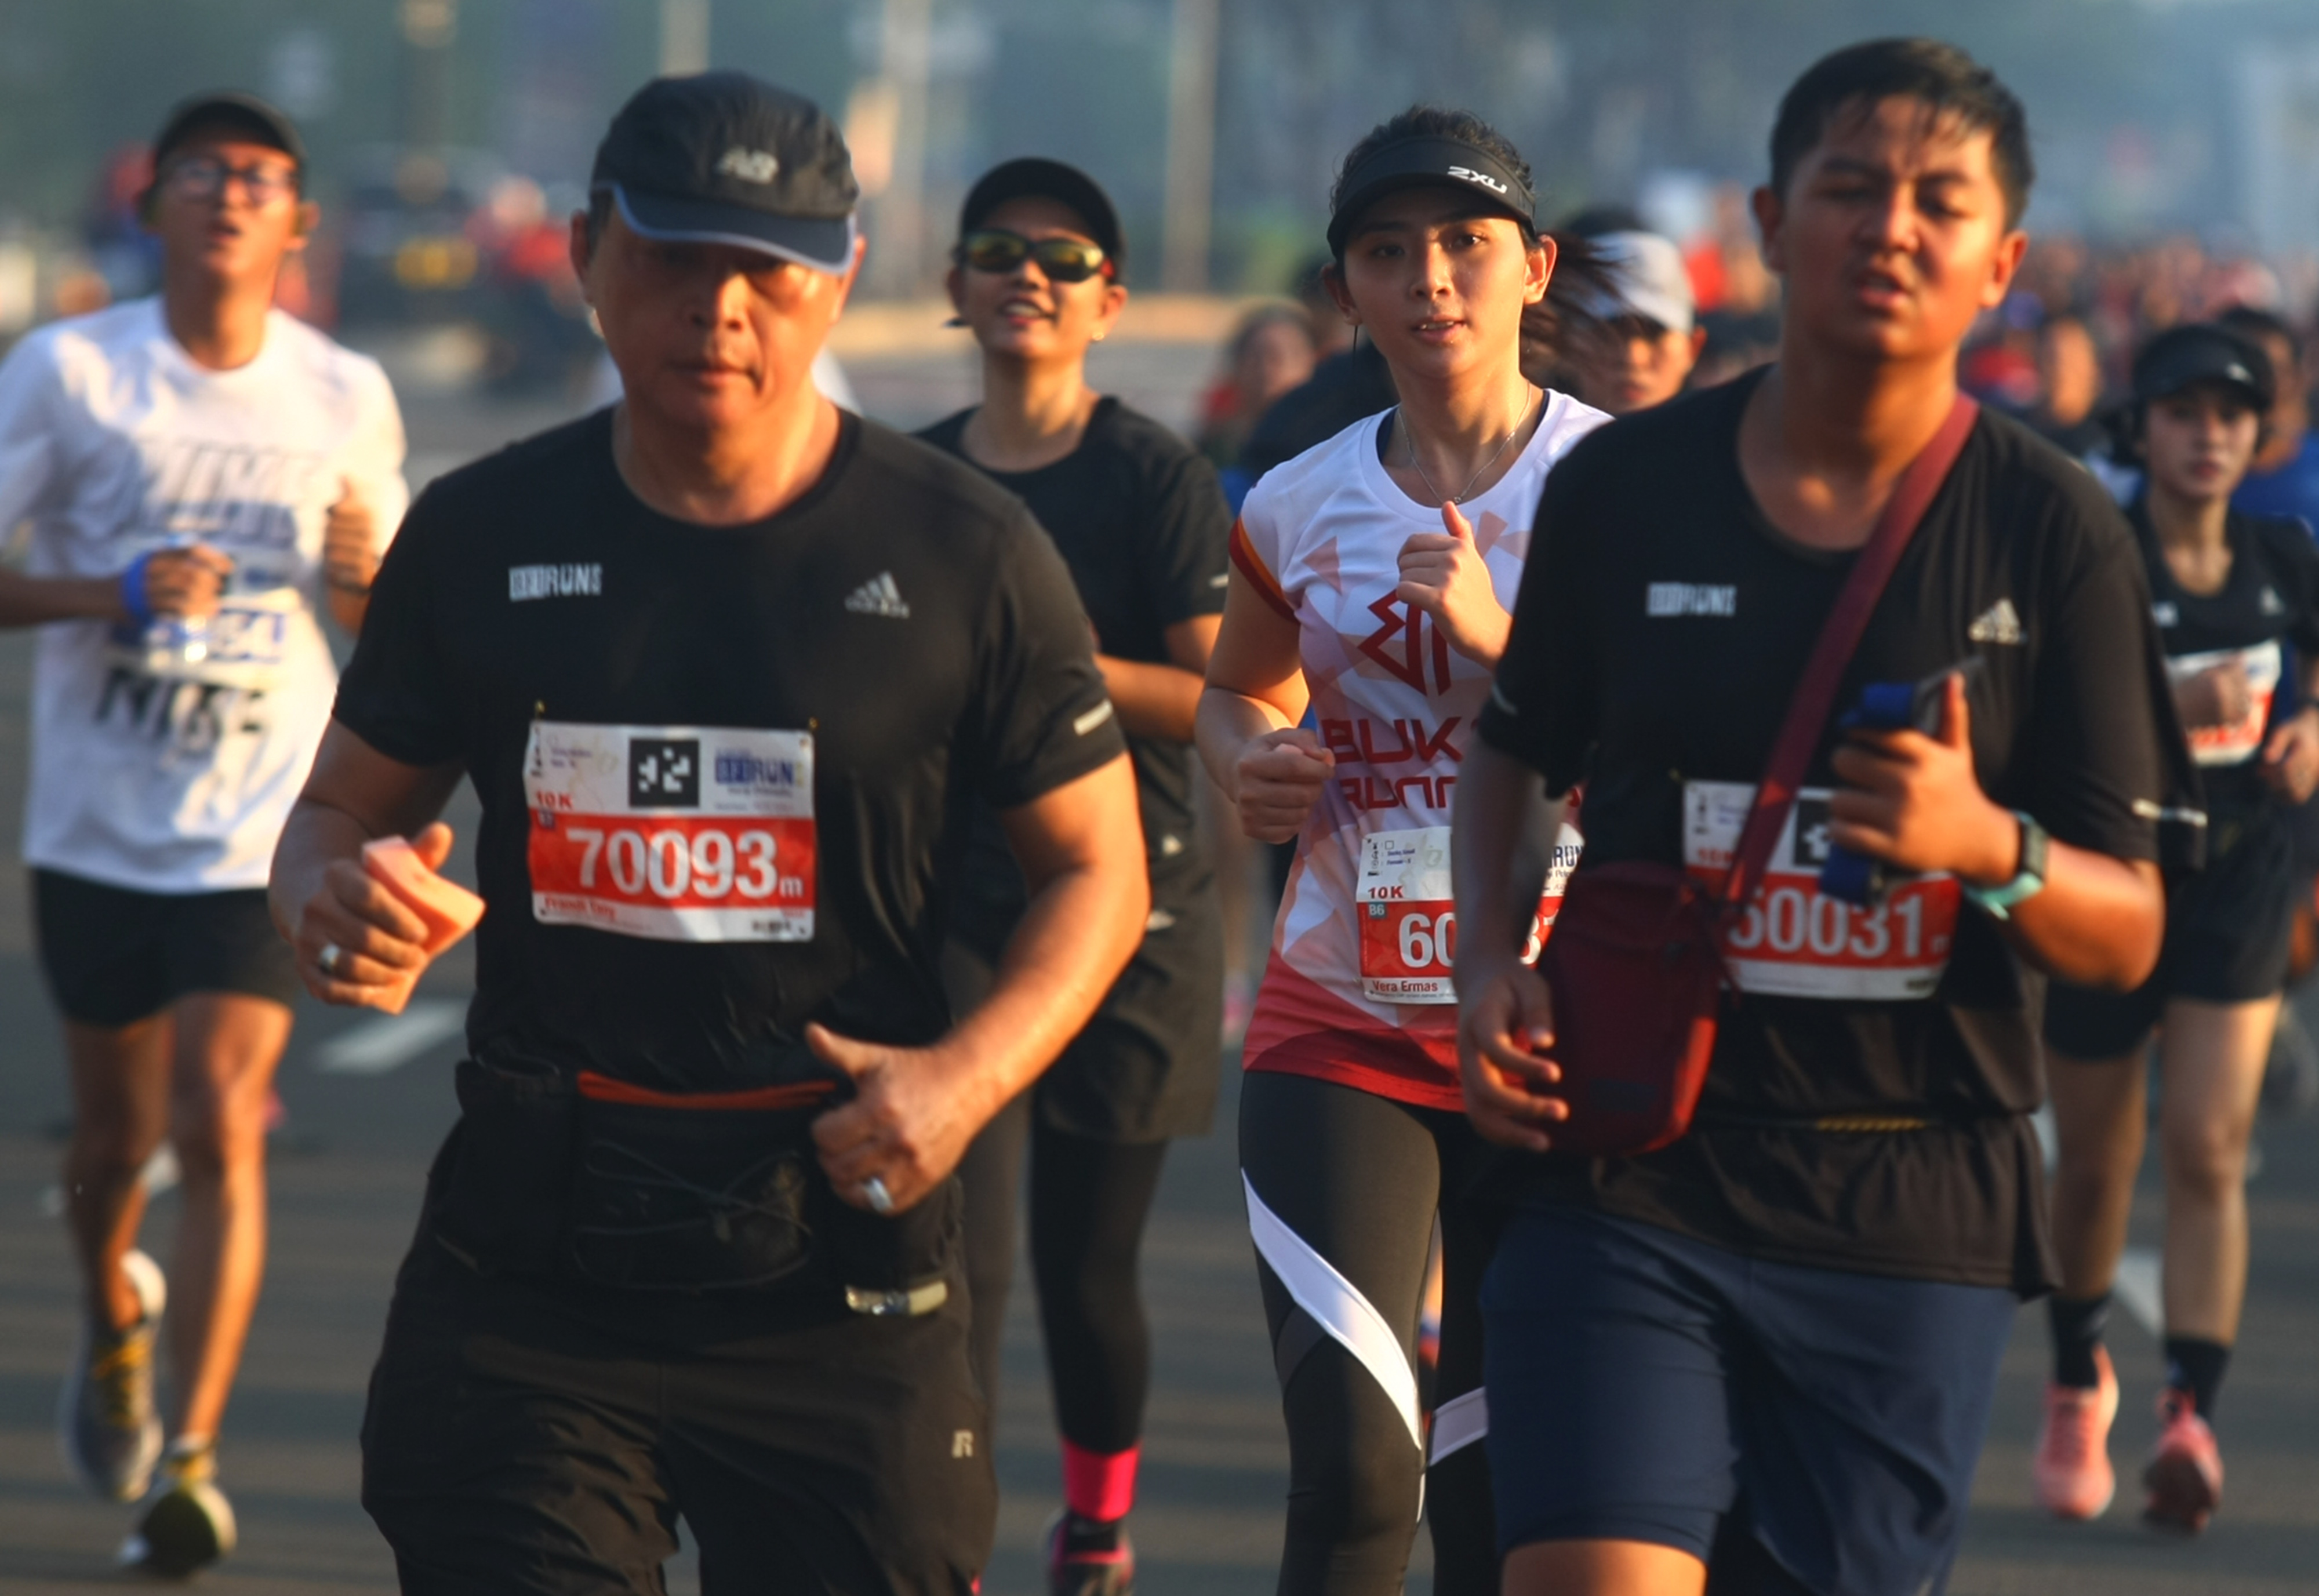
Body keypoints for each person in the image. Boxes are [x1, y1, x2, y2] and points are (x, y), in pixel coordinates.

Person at [268, 73, 1148, 1593]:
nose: (722, 309)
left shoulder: (966, 554)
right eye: (677, 257)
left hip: (840, 1268)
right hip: (534, 1266)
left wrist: (963, 1079)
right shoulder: (480, 535)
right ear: (588, 255)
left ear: (843, 281)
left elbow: (1100, 870)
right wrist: (332, 896)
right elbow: (339, 812)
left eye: (770, 270)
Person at [1455, 39, 2193, 1596]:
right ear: (1771, 224)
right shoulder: (1624, 492)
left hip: (1909, 1204)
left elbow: (2131, 930)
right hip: (1633, 1164)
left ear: (2001, 259)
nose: (1893, 226)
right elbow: (1511, 753)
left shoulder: (2054, 530)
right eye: (1852, 188)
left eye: (1940, 200)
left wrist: (1989, 848)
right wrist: (1484, 964)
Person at [1197, 107, 1608, 1596]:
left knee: (1500, 1491)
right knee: (1362, 1474)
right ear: (1345, 293)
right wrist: (1248, 757)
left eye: (1465, 243)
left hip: (1557, 1029)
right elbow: (1238, 689)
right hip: (1340, 1027)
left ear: (1532, 268)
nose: (1430, 278)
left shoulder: (1618, 492)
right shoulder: (1300, 502)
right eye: (1388, 252)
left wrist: (1515, 653)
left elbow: (1682, 752)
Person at [0, 91, 405, 1577]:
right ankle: (114, 1314)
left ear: (297, 221)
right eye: (203, 173)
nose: (231, 195)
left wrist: (365, 581)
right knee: (114, 1140)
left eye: (261, 178)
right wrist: (108, 591)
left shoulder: (344, 391)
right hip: (97, 827)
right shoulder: (70, 374)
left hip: (255, 826)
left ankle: (191, 1457)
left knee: (222, 1121)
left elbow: (379, 619)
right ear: (153, 202)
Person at [918, 157, 1233, 1596]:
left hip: (1129, 908)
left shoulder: (1151, 476)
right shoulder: (908, 478)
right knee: (955, 1268)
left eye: (1061, 258)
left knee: (1083, 1265)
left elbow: (1223, 699)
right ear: (954, 288)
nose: (1025, 276)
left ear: (1107, 301)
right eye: (996, 250)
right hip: (950, 911)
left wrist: (1050, 678)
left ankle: (1095, 1527)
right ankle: (952, 1545)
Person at [2036, 323, 2319, 1535]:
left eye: (2230, 414)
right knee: (2097, 1157)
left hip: (2245, 867)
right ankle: (2071, 1372)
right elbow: (2036, 723)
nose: (2207, 433)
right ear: (2138, 427)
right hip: (2117, 872)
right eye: (2183, 411)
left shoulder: (2281, 553)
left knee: (2206, 1143)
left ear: (2258, 434)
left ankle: (2187, 1413)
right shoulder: (2094, 557)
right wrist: (2166, 707)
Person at [1563, 227, 1706, 415]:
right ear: (1569, 345)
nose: (1633, 357)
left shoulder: (1731, 442)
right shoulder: (1531, 443)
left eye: (1654, 334)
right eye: (1609, 334)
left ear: (1693, 347)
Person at [2222, 306, 2319, 535]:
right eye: (2245, 370)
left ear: (2297, 380)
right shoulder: (2173, 480)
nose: (2260, 388)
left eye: (2274, 371)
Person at [1200, 302, 1320, 472]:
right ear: (1236, 365)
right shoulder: (1217, 447)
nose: (1266, 370)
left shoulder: (1323, 445)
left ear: (1309, 363)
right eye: (1255, 357)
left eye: (1277, 357)